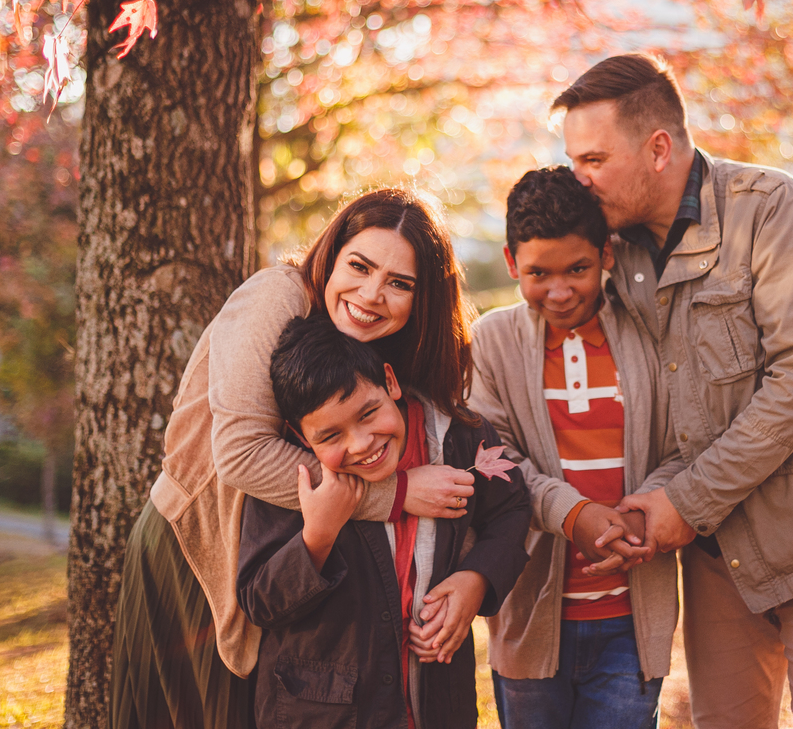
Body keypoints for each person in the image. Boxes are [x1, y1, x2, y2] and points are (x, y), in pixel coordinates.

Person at [552, 53, 793, 729]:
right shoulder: (619, 256)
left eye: (594, 160)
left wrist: (684, 502)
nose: (581, 179)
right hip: (724, 556)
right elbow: (658, 406)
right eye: (575, 161)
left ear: (658, 148)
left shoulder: (773, 210)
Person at [111, 189, 482, 729]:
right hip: (199, 548)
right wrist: (396, 495)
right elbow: (242, 453)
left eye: (399, 283)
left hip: (287, 565)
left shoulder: (379, 348)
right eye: (360, 266)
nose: (372, 293)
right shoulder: (277, 296)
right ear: (332, 256)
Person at [237, 314, 531, 729]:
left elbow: (513, 507)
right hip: (324, 713)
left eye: (369, 413)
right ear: (301, 438)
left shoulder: (460, 433)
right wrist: (317, 536)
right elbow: (259, 601)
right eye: (329, 437)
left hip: (437, 702)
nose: (361, 444)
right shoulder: (290, 478)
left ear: (389, 382)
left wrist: (476, 580)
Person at [470, 166, 684, 729]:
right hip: (531, 619)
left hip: (630, 623)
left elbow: (686, 442)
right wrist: (574, 514)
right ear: (513, 263)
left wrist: (651, 508)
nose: (560, 290)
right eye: (539, 272)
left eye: (578, 269)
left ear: (607, 255)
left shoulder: (650, 334)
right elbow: (496, 460)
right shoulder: (491, 343)